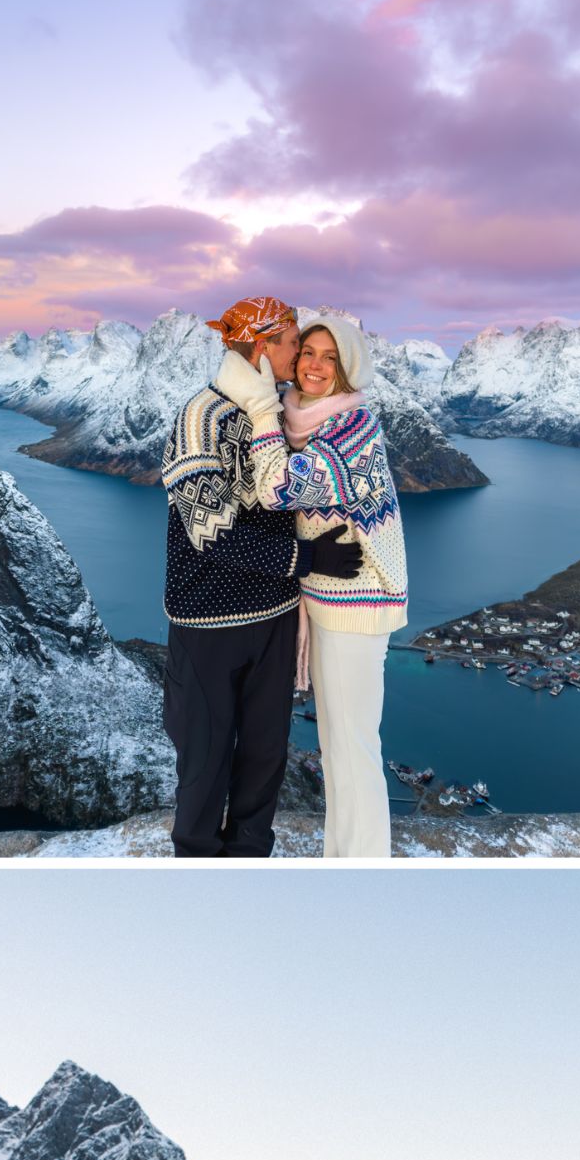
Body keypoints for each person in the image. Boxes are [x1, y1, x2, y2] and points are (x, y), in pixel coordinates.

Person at [161, 296, 365, 858]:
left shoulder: (275, 414)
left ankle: (251, 860)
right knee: (203, 757)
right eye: (293, 344)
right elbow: (210, 530)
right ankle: (198, 866)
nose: (300, 356)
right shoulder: (200, 417)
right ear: (262, 348)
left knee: (265, 753)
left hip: (274, 617)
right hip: (207, 622)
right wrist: (306, 559)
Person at [208, 314, 408, 859]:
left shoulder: (352, 426)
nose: (315, 365)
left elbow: (279, 488)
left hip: (356, 604)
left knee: (353, 747)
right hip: (324, 598)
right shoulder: (304, 418)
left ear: (348, 369)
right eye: (309, 353)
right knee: (336, 746)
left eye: (330, 357)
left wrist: (259, 407)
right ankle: (342, 861)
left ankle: (363, 869)